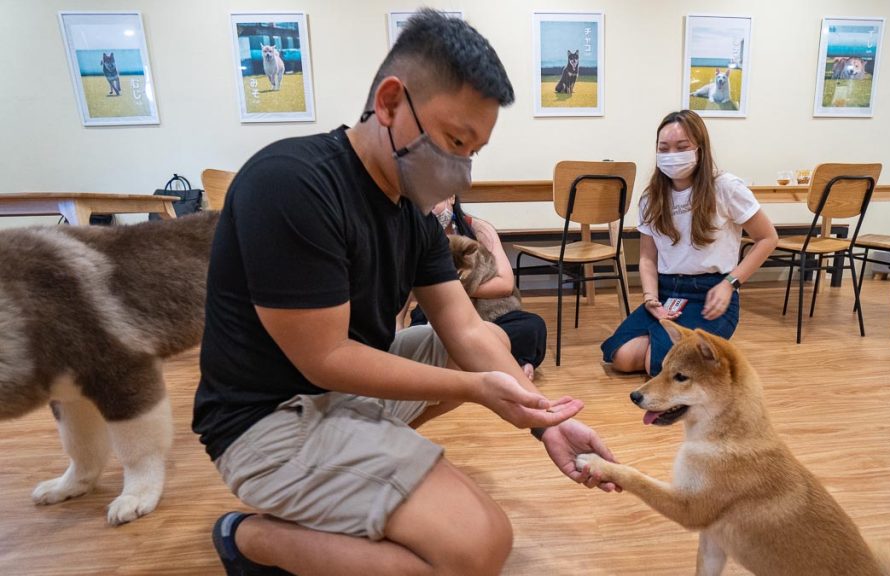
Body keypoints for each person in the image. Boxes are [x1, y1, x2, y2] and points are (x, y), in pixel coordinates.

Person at [193, 10, 617, 576]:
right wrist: (475, 389)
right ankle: (245, 537)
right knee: (479, 549)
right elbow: (325, 359)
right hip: (266, 421)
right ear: (390, 103)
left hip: (339, 396)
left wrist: (548, 421)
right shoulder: (291, 183)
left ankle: (361, 468)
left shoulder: (411, 212)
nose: (462, 167)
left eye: (473, 151)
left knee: (488, 335)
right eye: (454, 141)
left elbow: (463, 328)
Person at [601, 110, 778, 376]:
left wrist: (730, 284)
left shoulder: (726, 187)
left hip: (710, 293)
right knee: (621, 358)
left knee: (658, 366)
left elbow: (767, 238)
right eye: (664, 148)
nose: (672, 154)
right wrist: (650, 298)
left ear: (700, 149)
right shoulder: (651, 198)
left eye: (681, 147)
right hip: (667, 292)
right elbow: (648, 257)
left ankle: (687, 347)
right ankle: (681, 346)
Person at [404, 195, 547, 380]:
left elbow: (505, 284)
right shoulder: (415, 233)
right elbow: (407, 291)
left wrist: (452, 288)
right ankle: (502, 362)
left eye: (435, 200)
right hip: (444, 313)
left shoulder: (479, 229)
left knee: (532, 326)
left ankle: (465, 362)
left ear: (451, 198)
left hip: (487, 318)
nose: (429, 209)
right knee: (420, 326)